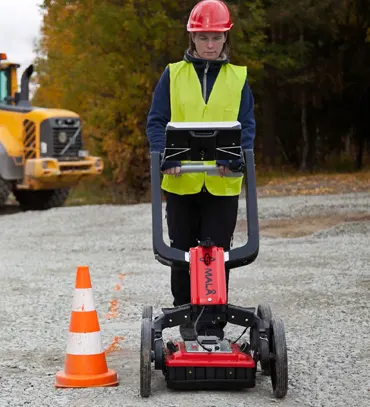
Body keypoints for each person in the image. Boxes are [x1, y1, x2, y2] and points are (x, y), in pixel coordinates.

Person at [146, 0, 256, 340]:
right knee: (182, 250)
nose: (210, 44)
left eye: (216, 37)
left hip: (222, 184)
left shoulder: (238, 78)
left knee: (216, 252)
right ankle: (185, 315)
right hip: (182, 183)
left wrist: (236, 157)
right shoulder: (173, 75)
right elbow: (157, 122)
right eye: (203, 37)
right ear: (192, 38)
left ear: (226, 39)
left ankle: (212, 321)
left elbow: (247, 127)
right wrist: (167, 156)